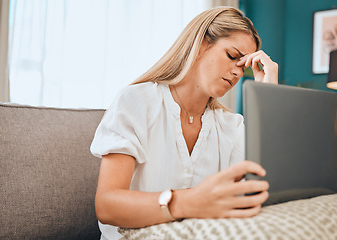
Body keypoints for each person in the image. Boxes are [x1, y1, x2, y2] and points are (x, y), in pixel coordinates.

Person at [90, 6, 278, 240]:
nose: (238, 74)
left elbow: (268, 192)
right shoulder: (137, 102)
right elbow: (107, 207)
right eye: (232, 56)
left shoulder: (231, 126)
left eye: (243, 66)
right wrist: (189, 202)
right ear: (199, 45)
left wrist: (269, 95)